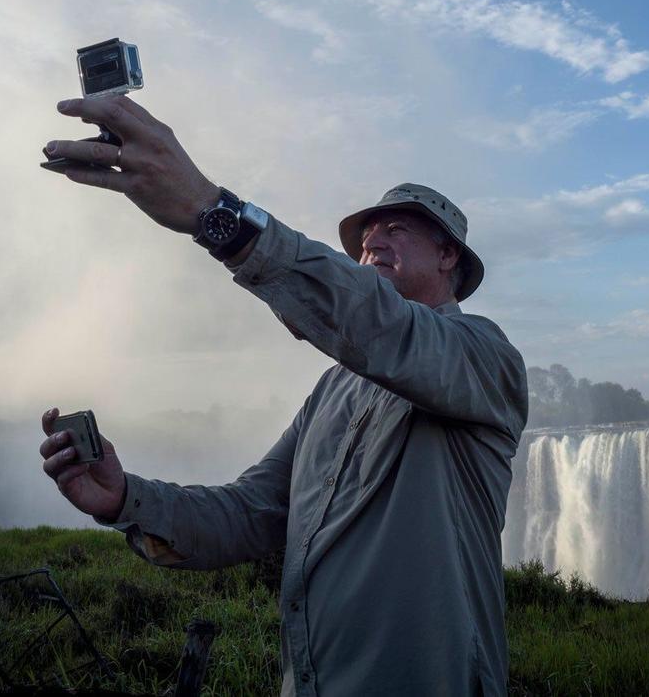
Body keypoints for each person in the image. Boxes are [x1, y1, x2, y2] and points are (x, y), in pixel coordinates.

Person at [37, 92, 528, 696]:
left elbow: (379, 324)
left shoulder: (483, 357)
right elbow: (250, 513)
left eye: (395, 231)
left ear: (448, 254)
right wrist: (124, 500)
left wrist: (212, 213)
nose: (373, 242)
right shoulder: (333, 391)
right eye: (365, 237)